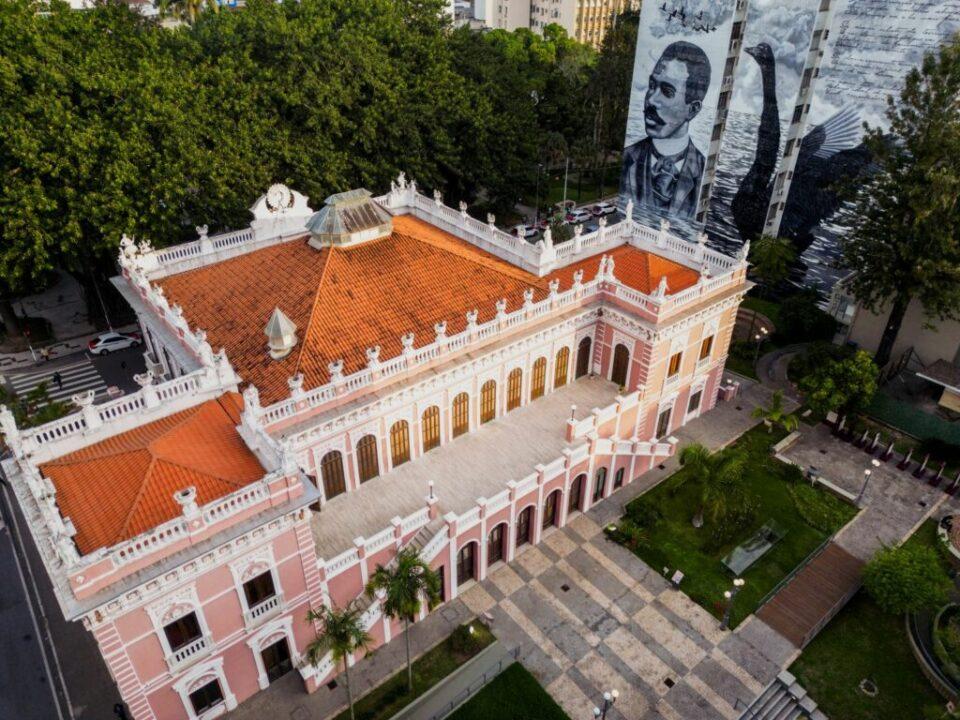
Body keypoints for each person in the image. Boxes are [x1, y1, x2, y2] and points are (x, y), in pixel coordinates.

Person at [620, 40, 711, 222]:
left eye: (667, 92)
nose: (652, 100)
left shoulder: (705, 173)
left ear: (692, 109)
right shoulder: (628, 157)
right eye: (652, 85)